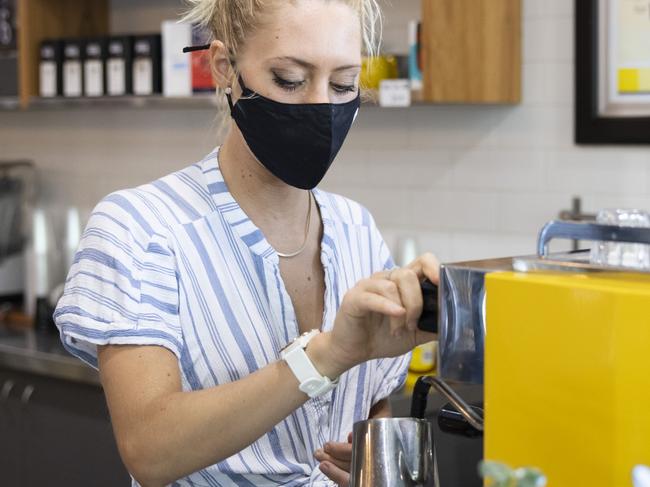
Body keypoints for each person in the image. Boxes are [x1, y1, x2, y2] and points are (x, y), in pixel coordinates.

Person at [54, 0, 439, 485]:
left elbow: (372, 403)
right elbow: (150, 451)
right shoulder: (141, 227)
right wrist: (326, 356)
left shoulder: (356, 229)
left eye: (343, 84)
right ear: (224, 68)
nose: (321, 104)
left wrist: (373, 458)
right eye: (290, 79)